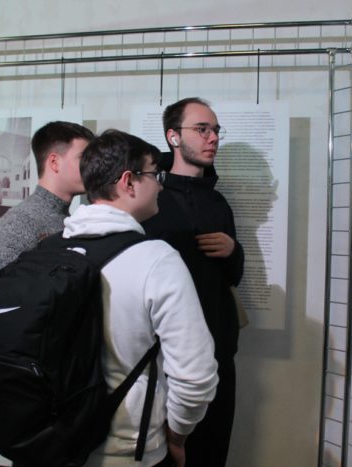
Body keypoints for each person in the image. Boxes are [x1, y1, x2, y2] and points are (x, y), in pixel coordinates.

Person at [63, 129, 218, 467]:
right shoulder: (156, 260)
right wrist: (177, 436)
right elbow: (195, 377)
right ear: (129, 182)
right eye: (154, 174)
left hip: (60, 443)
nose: (160, 185)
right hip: (129, 452)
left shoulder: (56, 249)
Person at [142, 97, 244, 466]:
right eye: (202, 129)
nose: (213, 138)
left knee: (211, 454)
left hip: (217, 353)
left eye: (215, 130)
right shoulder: (151, 199)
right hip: (162, 357)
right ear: (173, 136)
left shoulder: (219, 204)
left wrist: (233, 251)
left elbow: (232, 279)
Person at [0, 120, 94, 280]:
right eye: (84, 159)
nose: (91, 167)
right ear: (54, 163)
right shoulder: (20, 221)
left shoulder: (66, 218)